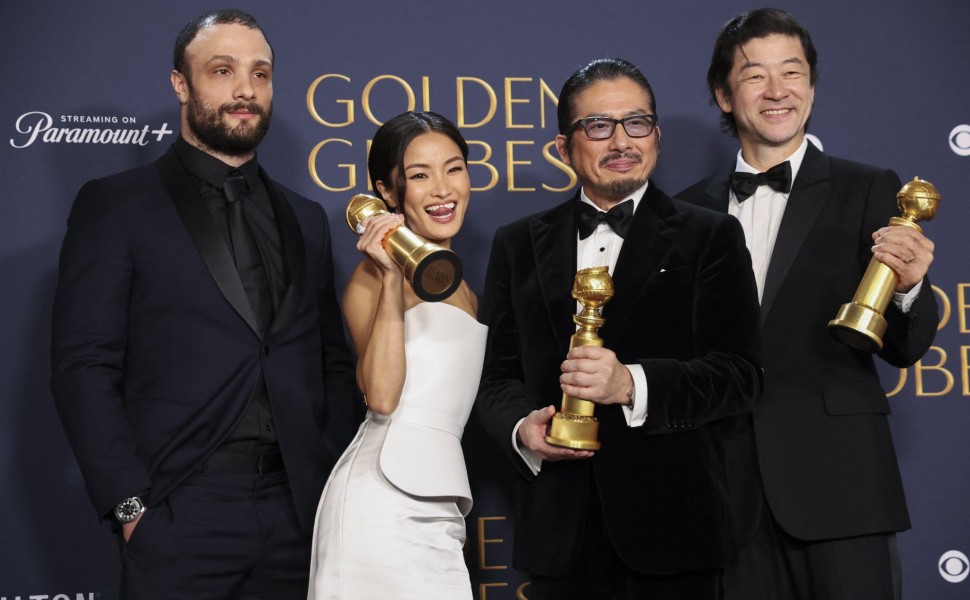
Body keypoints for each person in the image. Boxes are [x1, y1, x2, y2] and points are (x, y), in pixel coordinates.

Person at [50, 9, 358, 599]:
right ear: (181, 84)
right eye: (223, 70)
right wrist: (130, 505)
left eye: (260, 74)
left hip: (297, 515)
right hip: (178, 512)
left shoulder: (306, 216)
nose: (245, 89)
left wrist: (321, 481)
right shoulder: (117, 206)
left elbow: (330, 363)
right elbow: (83, 366)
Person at [474, 57, 763, 599]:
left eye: (637, 123)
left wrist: (631, 384)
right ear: (564, 147)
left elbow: (740, 375)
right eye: (599, 126)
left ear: (655, 137)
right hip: (559, 531)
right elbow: (494, 377)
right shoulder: (517, 243)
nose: (621, 141)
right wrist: (522, 431)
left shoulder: (711, 236)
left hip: (674, 530)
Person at [676, 8, 939, 600]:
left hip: (841, 489)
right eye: (754, 76)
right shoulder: (685, 213)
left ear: (812, 87)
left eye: (792, 73)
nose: (777, 92)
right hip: (726, 498)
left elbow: (907, 345)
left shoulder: (870, 187)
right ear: (723, 94)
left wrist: (910, 288)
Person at [307, 111, 484, 599]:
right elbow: (381, 397)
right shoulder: (370, 280)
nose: (443, 190)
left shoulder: (463, 285)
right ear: (388, 192)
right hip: (379, 509)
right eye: (420, 175)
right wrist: (389, 277)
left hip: (441, 507)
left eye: (454, 168)